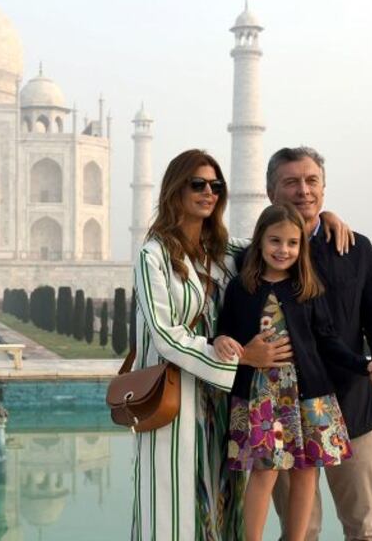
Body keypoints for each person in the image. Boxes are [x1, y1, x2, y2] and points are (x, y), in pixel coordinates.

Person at [130, 149, 353, 541]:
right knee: (172, 505)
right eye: (197, 184)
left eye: (216, 185)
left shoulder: (225, 250)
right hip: (177, 394)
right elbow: (166, 336)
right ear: (174, 190)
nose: (208, 192)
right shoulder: (154, 256)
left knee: (223, 501)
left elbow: (283, 244)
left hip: (225, 397)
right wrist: (243, 357)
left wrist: (322, 220)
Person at [214, 203, 372, 541]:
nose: (284, 250)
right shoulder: (241, 288)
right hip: (261, 397)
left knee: (307, 472)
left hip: (310, 396)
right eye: (275, 241)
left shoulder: (307, 289)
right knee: (264, 473)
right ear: (260, 242)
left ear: (301, 247)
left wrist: (365, 364)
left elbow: (329, 342)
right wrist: (220, 340)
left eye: (292, 243)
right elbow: (227, 330)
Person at [265, 147, 372, 541]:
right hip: (286, 411)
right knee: (300, 532)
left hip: (351, 404)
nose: (303, 191)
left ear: (324, 189)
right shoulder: (260, 254)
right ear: (271, 190)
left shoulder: (354, 248)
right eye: (291, 182)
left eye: (311, 181)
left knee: (364, 528)